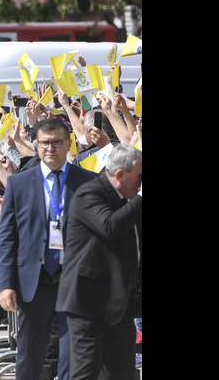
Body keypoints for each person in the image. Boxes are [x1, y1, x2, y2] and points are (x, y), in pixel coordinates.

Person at [0, 118, 97, 380]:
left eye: (56, 142)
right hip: (34, 281)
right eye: (44, 143)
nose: (50, 148)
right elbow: (7, 238)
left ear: (68, 144)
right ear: (36, 145)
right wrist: (5, 284)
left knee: (72, 353)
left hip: (74, 281)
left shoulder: (89, 182)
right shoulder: (18, 183)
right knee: (29, 353)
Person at [57, 144, 142, 380]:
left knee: (122, 374)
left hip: (120, 303)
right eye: (139, 177)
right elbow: (110, 226)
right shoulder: (89, 194)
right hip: (88, 304)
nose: (140, 183)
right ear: (120, 175)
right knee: (87, 372)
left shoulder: (129, 199)